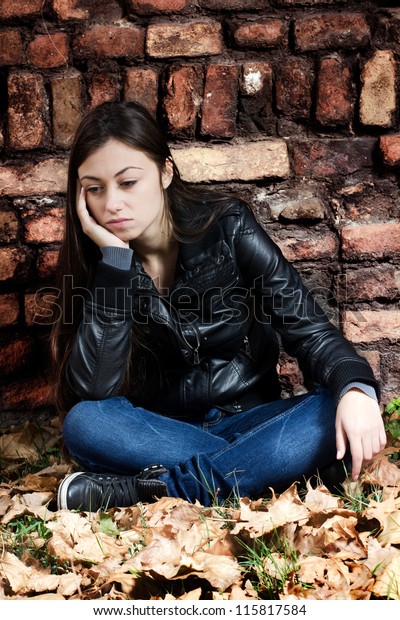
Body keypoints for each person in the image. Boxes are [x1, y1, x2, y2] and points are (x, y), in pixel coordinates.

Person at [52, 101, 386, 512]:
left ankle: (146, 489)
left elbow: (309, 330)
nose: (112, 204)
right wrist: (116, 265)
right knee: (85, 423)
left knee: (334, 404)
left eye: (128, 182)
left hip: (254, 417)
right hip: (163, 431)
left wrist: (355, 386)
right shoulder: (100, 263)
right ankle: (265, 469)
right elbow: (94, 391)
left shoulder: (228, 227)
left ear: (165, 172)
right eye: (95, 188)